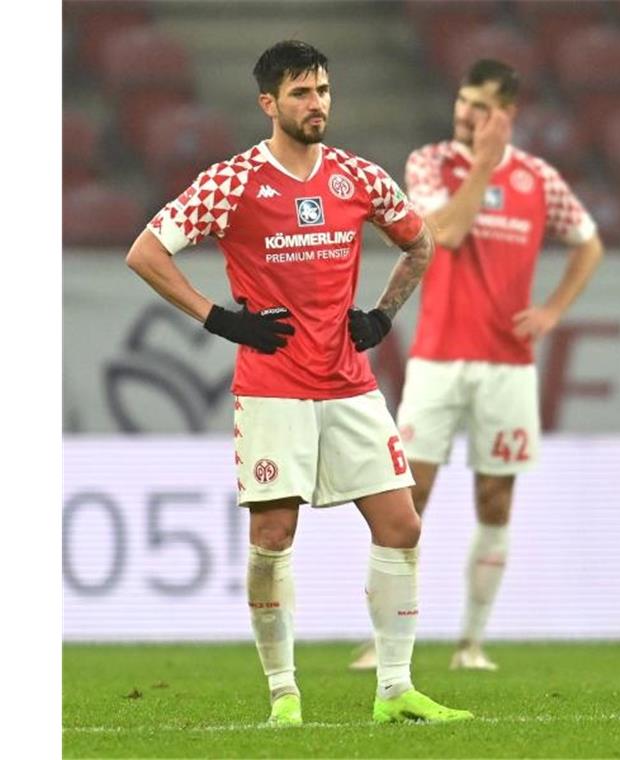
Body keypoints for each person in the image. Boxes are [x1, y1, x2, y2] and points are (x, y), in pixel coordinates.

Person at [125, 40, 473, 725]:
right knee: (274, 536)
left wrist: (381, 314)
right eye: (301, 94)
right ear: (269, 104)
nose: (317, 105)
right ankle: (284, 693)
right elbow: (146, 252)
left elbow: (421, 241)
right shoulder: (234, 182)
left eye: (323, 91)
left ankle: (396, 689)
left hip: (348, 384)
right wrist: (221, 320)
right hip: (273, 386)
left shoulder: (357, 177)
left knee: (401, 523)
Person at [349, 59, 604, 672]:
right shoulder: (429, 163)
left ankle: (471, 643)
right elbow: (447, 234)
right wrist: (485, 164)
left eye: (480, 106)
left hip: (508, 366)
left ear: (507, 114)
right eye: (463, 100)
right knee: (412, 498)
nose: (464, 113)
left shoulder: (539, 178)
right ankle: (385, 642)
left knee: (495, 500)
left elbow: (588, 243)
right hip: (438, 358)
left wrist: (551, 311)